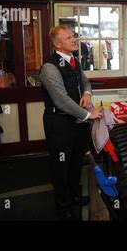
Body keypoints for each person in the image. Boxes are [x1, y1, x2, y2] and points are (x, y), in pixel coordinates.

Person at [39, 25, 103, 220]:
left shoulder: (74, 60)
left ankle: (74, 196)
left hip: (76, 122)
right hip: (58, 124)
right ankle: (62, 205)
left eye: (73, 36)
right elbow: (61, 100)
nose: (74, 39)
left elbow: (85, 82)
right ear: (57, 44)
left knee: (76, 162)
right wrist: (88, 115)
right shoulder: (49, 67)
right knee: (61, 165)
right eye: (69, 38)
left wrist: (87, 93)